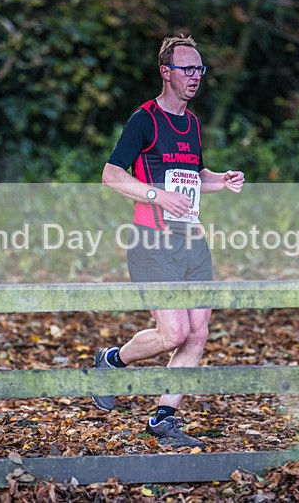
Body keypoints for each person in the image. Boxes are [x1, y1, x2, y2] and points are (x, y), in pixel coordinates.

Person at [93, 35, 245, 448]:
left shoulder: (192, 123)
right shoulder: (144, 119)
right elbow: (111, 174)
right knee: (174, 333)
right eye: (187, 69)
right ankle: (111, 361)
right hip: (151, 241)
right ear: (166, 72)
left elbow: (192, 177)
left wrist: (222, 180)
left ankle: (164, 418)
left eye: (200, 69)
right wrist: (156, 195)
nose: (195, 77)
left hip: (192, 241)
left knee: (198, 333)